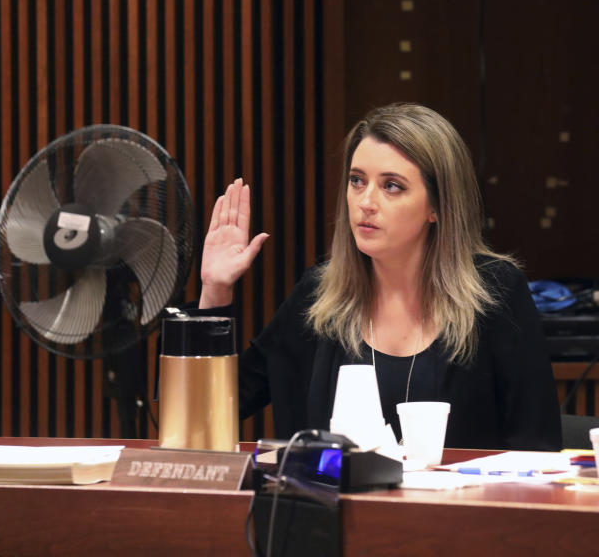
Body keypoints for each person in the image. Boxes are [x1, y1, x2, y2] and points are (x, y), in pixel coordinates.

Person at [196, 103, 562, 450]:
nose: (365, 201)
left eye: (391, 186)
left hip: (458, 514)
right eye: (357, 181)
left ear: (436, 206)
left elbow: (537, 451)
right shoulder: (318, 296)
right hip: (331, 513)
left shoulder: (496, 294)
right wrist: (215, 291)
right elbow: (206, 414)